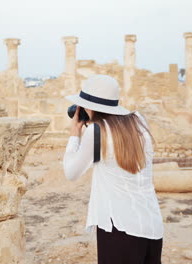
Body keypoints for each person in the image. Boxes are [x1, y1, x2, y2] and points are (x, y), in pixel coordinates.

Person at [63, 74, 164, 264]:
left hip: (120, 228)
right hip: (151, 227)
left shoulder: (96, 132)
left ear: (88, 106)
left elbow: (71, 172)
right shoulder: (139, 121)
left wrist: (75, 134)